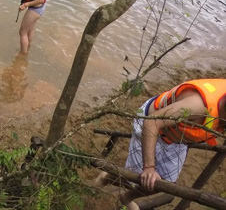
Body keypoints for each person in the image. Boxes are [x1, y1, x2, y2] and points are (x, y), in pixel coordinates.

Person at [96, 79, 226, 209]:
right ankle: (107, 176)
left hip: (177, 137)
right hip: (151, 121)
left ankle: (126, 197)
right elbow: (152, 122)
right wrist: (149, 168)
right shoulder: (197, 105)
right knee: (138, 178)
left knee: (165, 184)